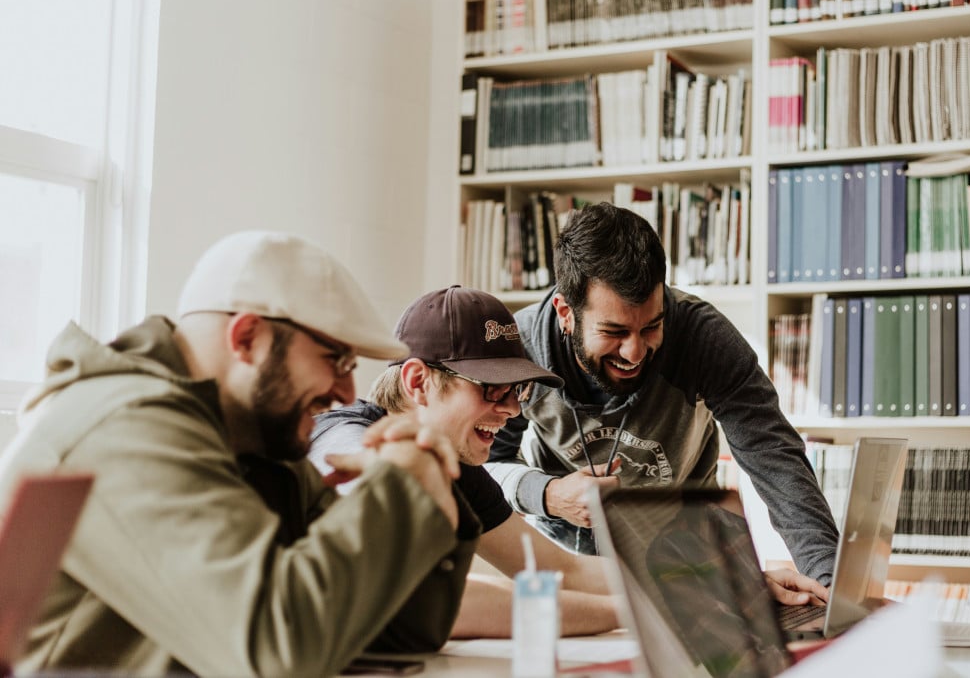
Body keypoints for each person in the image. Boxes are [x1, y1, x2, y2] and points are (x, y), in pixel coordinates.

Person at [0, 231, 478, 676]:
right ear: (247, 338)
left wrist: (430, 488)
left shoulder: (254, 440)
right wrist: (400, 489)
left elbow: (393, 634)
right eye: (335, 359)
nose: (347, 391)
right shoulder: (125, 428)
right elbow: (275, 651)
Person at [484, 201, 840, 594]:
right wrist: (547, 494)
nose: (635, 352)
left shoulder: (703, 337)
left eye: (651, 326)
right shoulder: (520, 348)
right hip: (567, 563)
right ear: (566, 312)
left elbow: (774, 457)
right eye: (614, 332)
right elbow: (484, 465)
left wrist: (829, 585)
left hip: (685, 555)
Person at [309, 285, 620, 638]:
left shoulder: (455, 465)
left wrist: (671, 586)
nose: (513, 410)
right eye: (492, 387)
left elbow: (559, 570)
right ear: (418, 382)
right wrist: (629, 613)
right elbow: (426, 598)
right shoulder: (343, 439)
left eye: (516, 390)